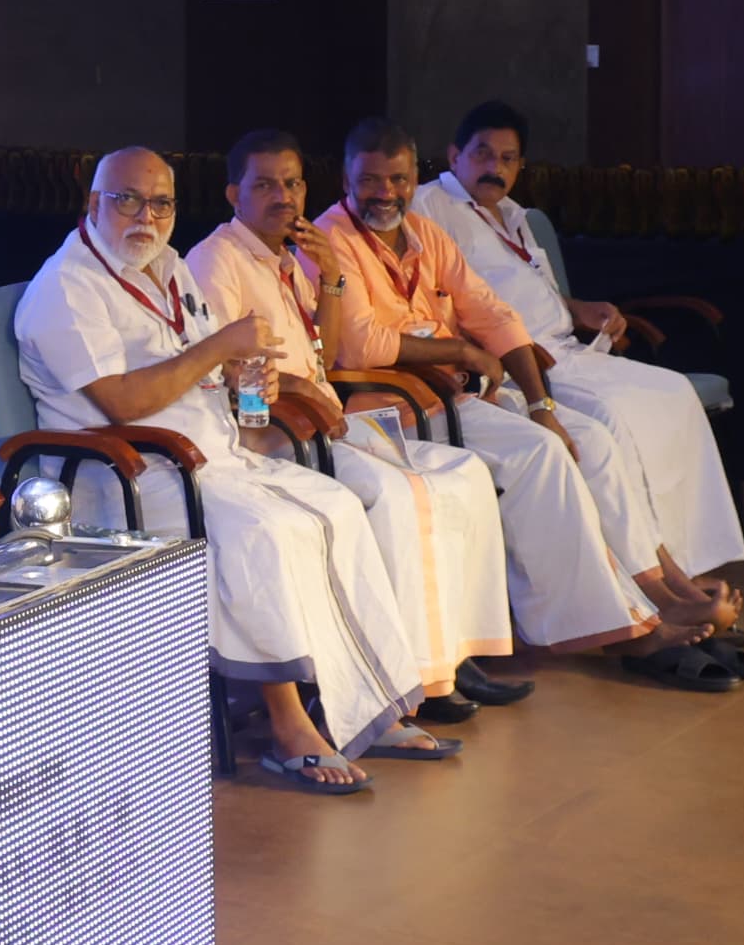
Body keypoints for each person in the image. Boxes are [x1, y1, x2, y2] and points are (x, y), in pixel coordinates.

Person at [14, 150, 458, 793]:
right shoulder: (66, 286)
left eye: (161, 203)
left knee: (336, 507)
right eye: (127, 200)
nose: (146, 217)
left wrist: (245, 380)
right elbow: (121, 401)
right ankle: (287, 729)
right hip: (127, 475)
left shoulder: (168, 266)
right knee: (265, 532)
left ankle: (369, 705)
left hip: (210, 453)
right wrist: (220, 349)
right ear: (93, 203)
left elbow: (210, 364)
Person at [311, 122, 744, 692]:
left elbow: (494, 315)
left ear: (415, 178)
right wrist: (460, 350)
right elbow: (359, 344)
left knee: (591, 441)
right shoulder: (330, 239)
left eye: (397, 179)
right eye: (370, 180)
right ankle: (622, 630)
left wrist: (541, 403)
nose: (385, 193)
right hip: (398, 407)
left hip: (460, 395)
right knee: (541, 455)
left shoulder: (425, 234)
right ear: (345, 178)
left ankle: (658, 593)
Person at [185, 131, 521, 716]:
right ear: (234, 194)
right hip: (277, 434)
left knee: (462, 475)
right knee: (402, 494)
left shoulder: (285, 256)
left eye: (292, 184)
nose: (283, 197)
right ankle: (417, 677)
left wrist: (331, 275)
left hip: (323, 422)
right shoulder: (219, 259)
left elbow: (325, 350)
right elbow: (228, 372)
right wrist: (301, 394)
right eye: (265, 185)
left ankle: (453, 655)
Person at [427, 101, 744, 591]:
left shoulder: (515, 214)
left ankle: (689, 561)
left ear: (520, 165)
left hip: (570, 347)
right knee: (613, 418)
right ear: (455, 155)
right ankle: (637, 575)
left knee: (674, 394)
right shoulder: (431, 207)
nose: (495, 167)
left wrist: (577, 307)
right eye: (483, 154)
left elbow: (530, 287)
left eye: (508, 158)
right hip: (525, 359)